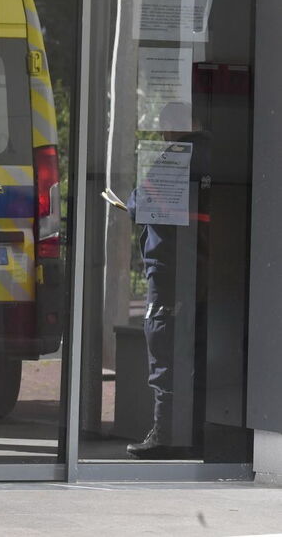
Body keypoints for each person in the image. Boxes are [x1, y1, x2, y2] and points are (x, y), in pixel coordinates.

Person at [125, 102, 210, 459]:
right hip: (206, 271)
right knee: (200, 350)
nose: (161, 136)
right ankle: (201, 433)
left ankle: (167, 435)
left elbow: (137, 204)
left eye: (163, 128)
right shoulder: (223, 153)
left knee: (164, 347)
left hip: (171, 270)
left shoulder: (176, 156)